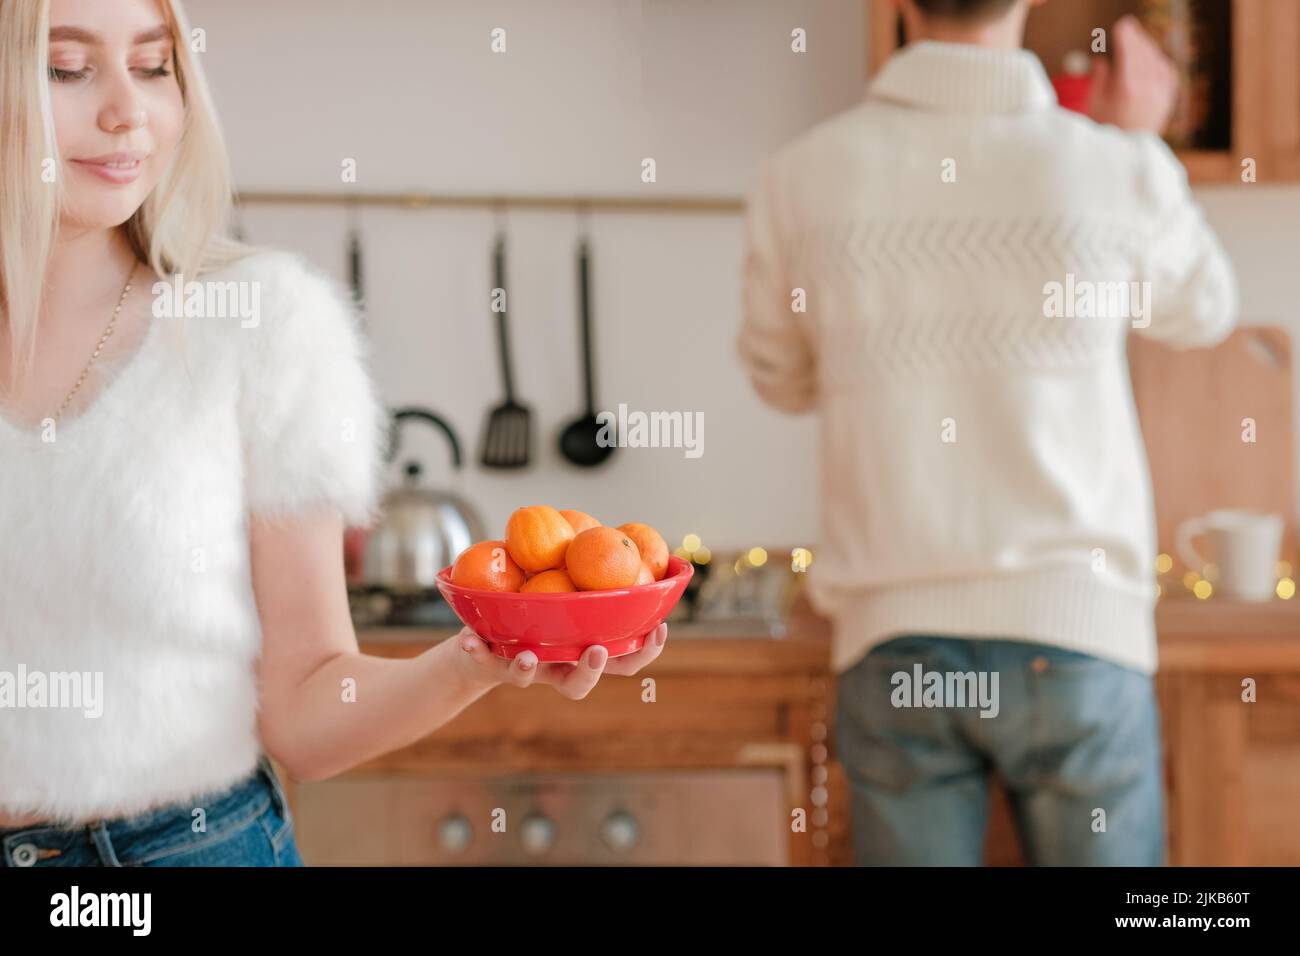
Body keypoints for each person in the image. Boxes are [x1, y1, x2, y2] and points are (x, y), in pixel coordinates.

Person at [0, 0, 668, 867]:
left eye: (156, 65)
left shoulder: (261, 327)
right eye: (68, 68)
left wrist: (481, 659)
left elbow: (307, 713)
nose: (129, 110)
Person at [738, 0, 1237, 865]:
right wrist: (1144, 142)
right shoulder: (1109, 168)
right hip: (1078, 636)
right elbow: (1204, 310)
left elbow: (778, 377)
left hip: (894, 639)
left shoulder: (800, 176)